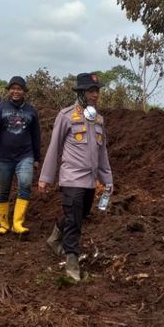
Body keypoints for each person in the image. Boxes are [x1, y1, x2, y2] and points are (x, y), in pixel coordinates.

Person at [39, 72, 114, 282]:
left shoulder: (98, 119)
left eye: (97, 91)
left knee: (79, 215)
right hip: (71, 178)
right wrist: (46, 177)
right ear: (81, 92)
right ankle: (72, 265)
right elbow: (54, 148)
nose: (95, 95)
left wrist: (107, 180)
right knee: (74, 221)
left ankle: (54, 237)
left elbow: (102, 153)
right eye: (91, 91)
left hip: (90, 181)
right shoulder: (66, 116)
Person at [0, 76, 42, 235]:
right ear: (9, 90)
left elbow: (36, 135)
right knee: (3, 190)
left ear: (24, 91)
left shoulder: (31, 110)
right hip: (4, 157)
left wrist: (37, 158)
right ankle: (4, 224)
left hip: (25, 155)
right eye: (13, 88)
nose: (16, 91)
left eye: (19, 89)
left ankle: (18, 223)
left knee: (25, 185)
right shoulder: (0, 108)